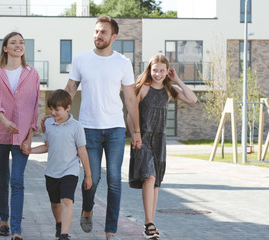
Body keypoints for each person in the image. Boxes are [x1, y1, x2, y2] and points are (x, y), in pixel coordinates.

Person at [65, 16, 142, 240]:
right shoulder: (81, 60)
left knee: (115, 181)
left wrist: (136, 132)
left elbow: (130, 99)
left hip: (116, 129)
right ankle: (87, 208)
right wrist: (57, 115)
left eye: (103, 32)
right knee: (93, 178)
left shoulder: (123, 63)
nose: (98, 35)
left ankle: (111, 232)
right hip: (88, 128)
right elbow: (70, 89)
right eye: (96, 31)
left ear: (114, 37)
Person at [127, 55, 197, 239]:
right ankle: (149, 223)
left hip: (160, 141)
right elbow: (130, 114)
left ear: (167, 72)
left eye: (162, 70)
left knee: (155, 182)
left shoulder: (169, 90)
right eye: (155, 70)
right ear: (149, 70)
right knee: (149, 177)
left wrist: (178, 80)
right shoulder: (143, 88)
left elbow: (193, 99)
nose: (158, 74)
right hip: (143, 139)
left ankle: (150, 222)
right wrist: (136, 134)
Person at [0, 32, 40, 240]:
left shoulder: (32, 73)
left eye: (22, 43)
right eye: (13, 42)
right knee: (2, 180)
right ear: (5, 48)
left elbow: (34, 106)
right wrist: (5, 121)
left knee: (17, 181)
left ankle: (16, 230)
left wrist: (30, 136)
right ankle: (4, 220)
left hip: (22, 136)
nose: (18, 45)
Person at [30, 89, 92, 240]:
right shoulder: (49, 124)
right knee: (55, 203)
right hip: (51, 171)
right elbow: (46, 146)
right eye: (51, 109)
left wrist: (88, 176)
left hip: (69, 171)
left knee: (66, 200)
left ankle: (64, 234)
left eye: (57, 110)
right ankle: (59, 224)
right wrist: (30, 150)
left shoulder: (76, 126)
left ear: (68, 107)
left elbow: (82, 151)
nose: (53, 113)